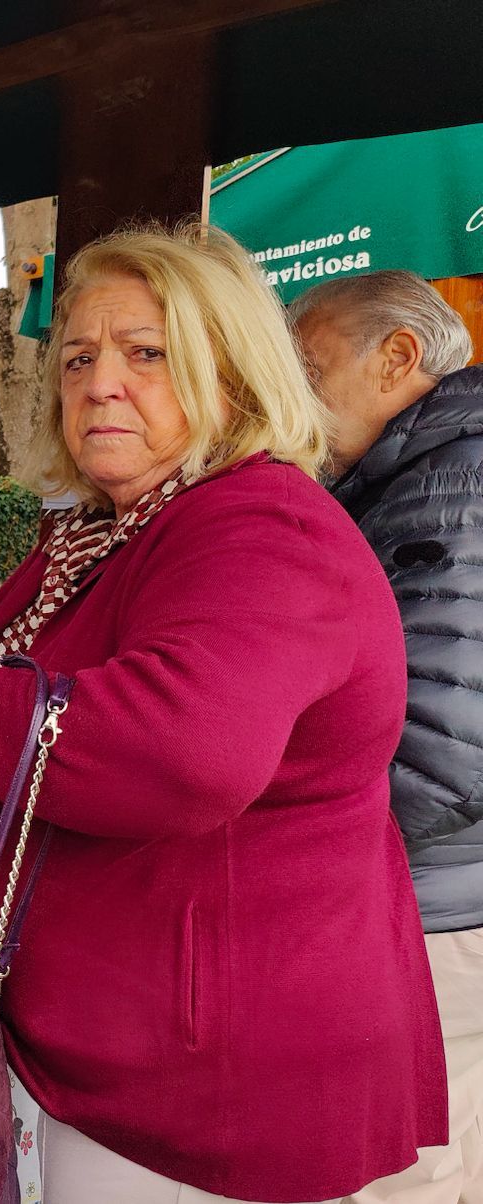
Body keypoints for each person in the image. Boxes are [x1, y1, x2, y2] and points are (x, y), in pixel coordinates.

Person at [0, 225, 444, 1203]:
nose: (101, 383)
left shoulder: (260, 524)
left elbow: (181, 747)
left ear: (232, 373)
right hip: (141, 1051)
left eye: (147, 352)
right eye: (78, 358)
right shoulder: (106, 532)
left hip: (220, 1081)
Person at [289, 270, 483, 1204]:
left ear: (398, 357)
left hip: (433, 909)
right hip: (435, 897)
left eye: (309, 370)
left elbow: (449, 741)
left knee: (403, 1168)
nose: (290, 397)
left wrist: (285, 840)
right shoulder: (412, 475)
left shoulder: (458, 477)